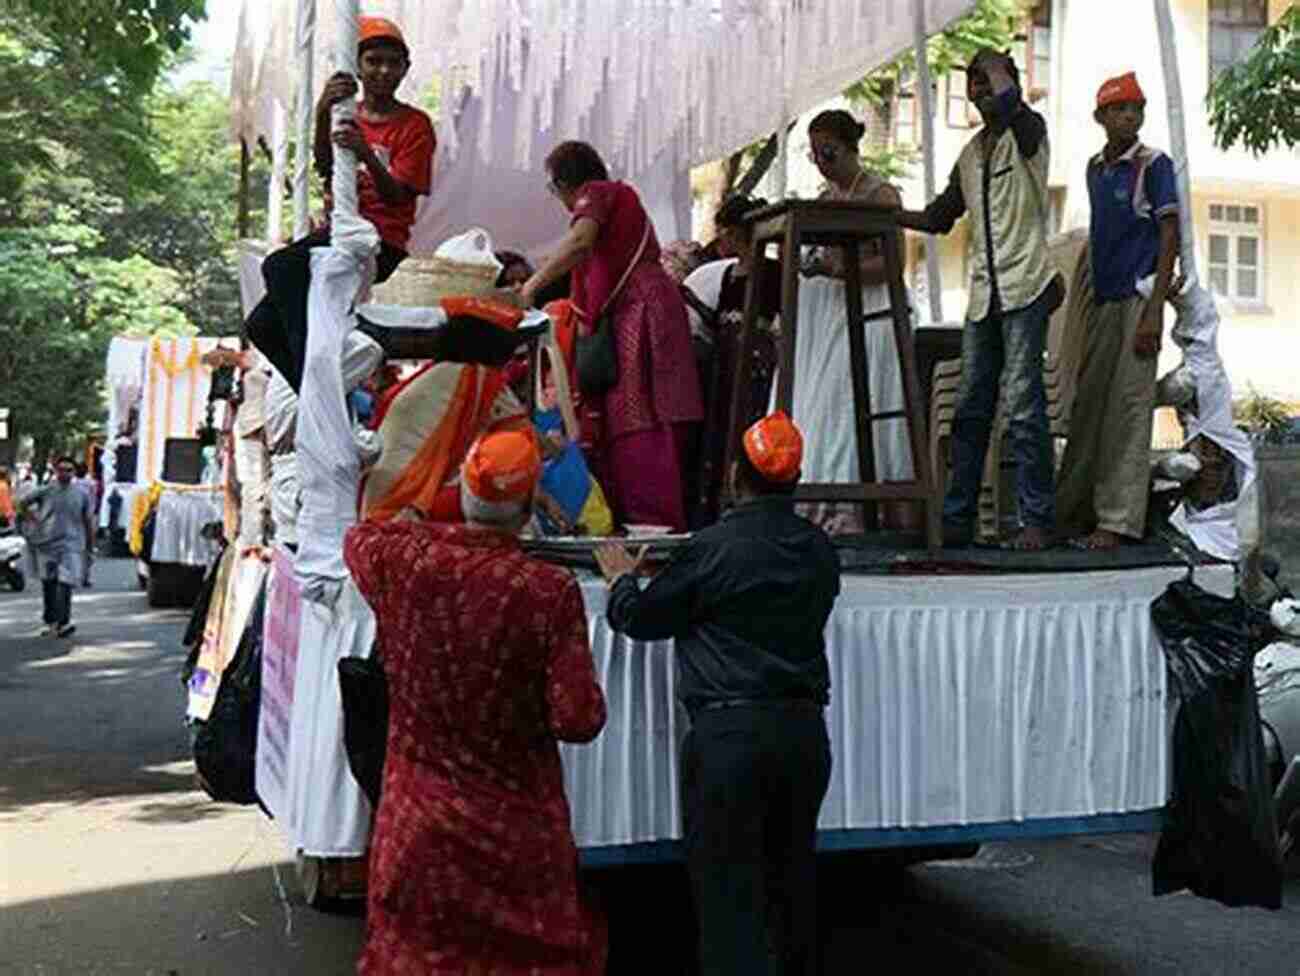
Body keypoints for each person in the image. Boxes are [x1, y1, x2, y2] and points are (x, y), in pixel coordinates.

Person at [344, 429, 608, 976]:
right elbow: (577, 719)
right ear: (530, 503)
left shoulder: (405, 562)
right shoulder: (546, 590)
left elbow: (360, 537)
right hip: (516, 829)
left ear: (462, 490)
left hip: (419, 822)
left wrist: (426, 521)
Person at [596, 411, 841, 976]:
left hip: (730, 738)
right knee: (790, 889)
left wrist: (620, 579)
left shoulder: (712, 549)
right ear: (794, 479)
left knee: (730, 899)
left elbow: (640, 618)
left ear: (737, 477)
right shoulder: (818, 550)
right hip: (804, 735)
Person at [895, 50, 1062, 550]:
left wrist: (997, 67)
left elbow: (1013, 105)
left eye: (987, 79)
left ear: (1010, 81)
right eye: (972, 82)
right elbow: (939, 216)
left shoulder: (1029, 132)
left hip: (1026, 288)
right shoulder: (969, 154)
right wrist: (887, 217)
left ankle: (1036, 521)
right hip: (984, 298)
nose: (980, 89)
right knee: (970, 410)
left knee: (1025, 407)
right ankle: (957, 520)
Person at [244, 16, 435, 393]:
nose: (382, 70)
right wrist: (321, 111)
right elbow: (326, 167)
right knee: (260, 326)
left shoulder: (415, 124)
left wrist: (365, 152)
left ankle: (317, 380)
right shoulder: (347, 112)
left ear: (405, 69)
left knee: (279, 266)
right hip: (337, 231)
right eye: (373, 61)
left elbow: (398, 195)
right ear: (358, 67)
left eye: (392, 62)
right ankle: (319, 392)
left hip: (381, 243)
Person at [519, 140, 703, 531]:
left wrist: (530, 287)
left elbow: (581, 241)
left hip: (642, 311)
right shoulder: (617, 200)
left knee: (642, 413)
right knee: (632, 414)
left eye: (556, 191)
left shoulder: (599, 194)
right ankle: (643, 519)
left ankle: (652, 523)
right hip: (636, 310)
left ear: (567, 183)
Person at [1056, 72, 1180, 550]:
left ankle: (1117, 519)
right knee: (1089, 407)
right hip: (1102, 299)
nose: (1130, 116)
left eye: (1136, 110)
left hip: (1137, 297)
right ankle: (1073, 512)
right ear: (1102, 117)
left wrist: (1153, 312)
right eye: (1121, 109)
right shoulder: (1096, 168)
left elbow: (1169, 236)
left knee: (1129, 407)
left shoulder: (1154, 165)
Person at [795, 109, 914, 535]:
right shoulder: (824, 200)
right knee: (823, 402)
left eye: (827, 152)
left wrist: (838, 269)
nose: (822, 163)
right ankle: (819, 495)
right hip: (831, 311)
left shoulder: (882, 195)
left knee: (852, 396)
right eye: (814, 155)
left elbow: (894, 263)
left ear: (849, 147)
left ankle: (857, 505)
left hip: (873, 306)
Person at [681, 194, 783, 524]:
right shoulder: (727, 275)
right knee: (720, 431)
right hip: (725, 365)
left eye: (724, 231)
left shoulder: (773, 272)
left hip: (756, 363)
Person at [29, 457, 94, 638]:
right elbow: (23, 503)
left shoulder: (82, 493)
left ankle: (64, 622)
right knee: (49, 584)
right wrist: (34, 520)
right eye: (62, 469)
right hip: (47, 544)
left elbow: (87, 520)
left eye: (69, 470)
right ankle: (51, 622)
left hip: (71, 545)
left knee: (65, 583)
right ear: (56, 471)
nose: (65, 473)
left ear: (74, 472)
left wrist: (89, 545)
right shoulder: (45, 491)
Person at [73, 463, 97, 586]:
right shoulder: (92, 484)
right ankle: (86, 577)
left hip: (73, 520)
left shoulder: (73, 485)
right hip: (88, 518)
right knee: (88, 549)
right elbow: (94, 500)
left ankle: (73, 576)